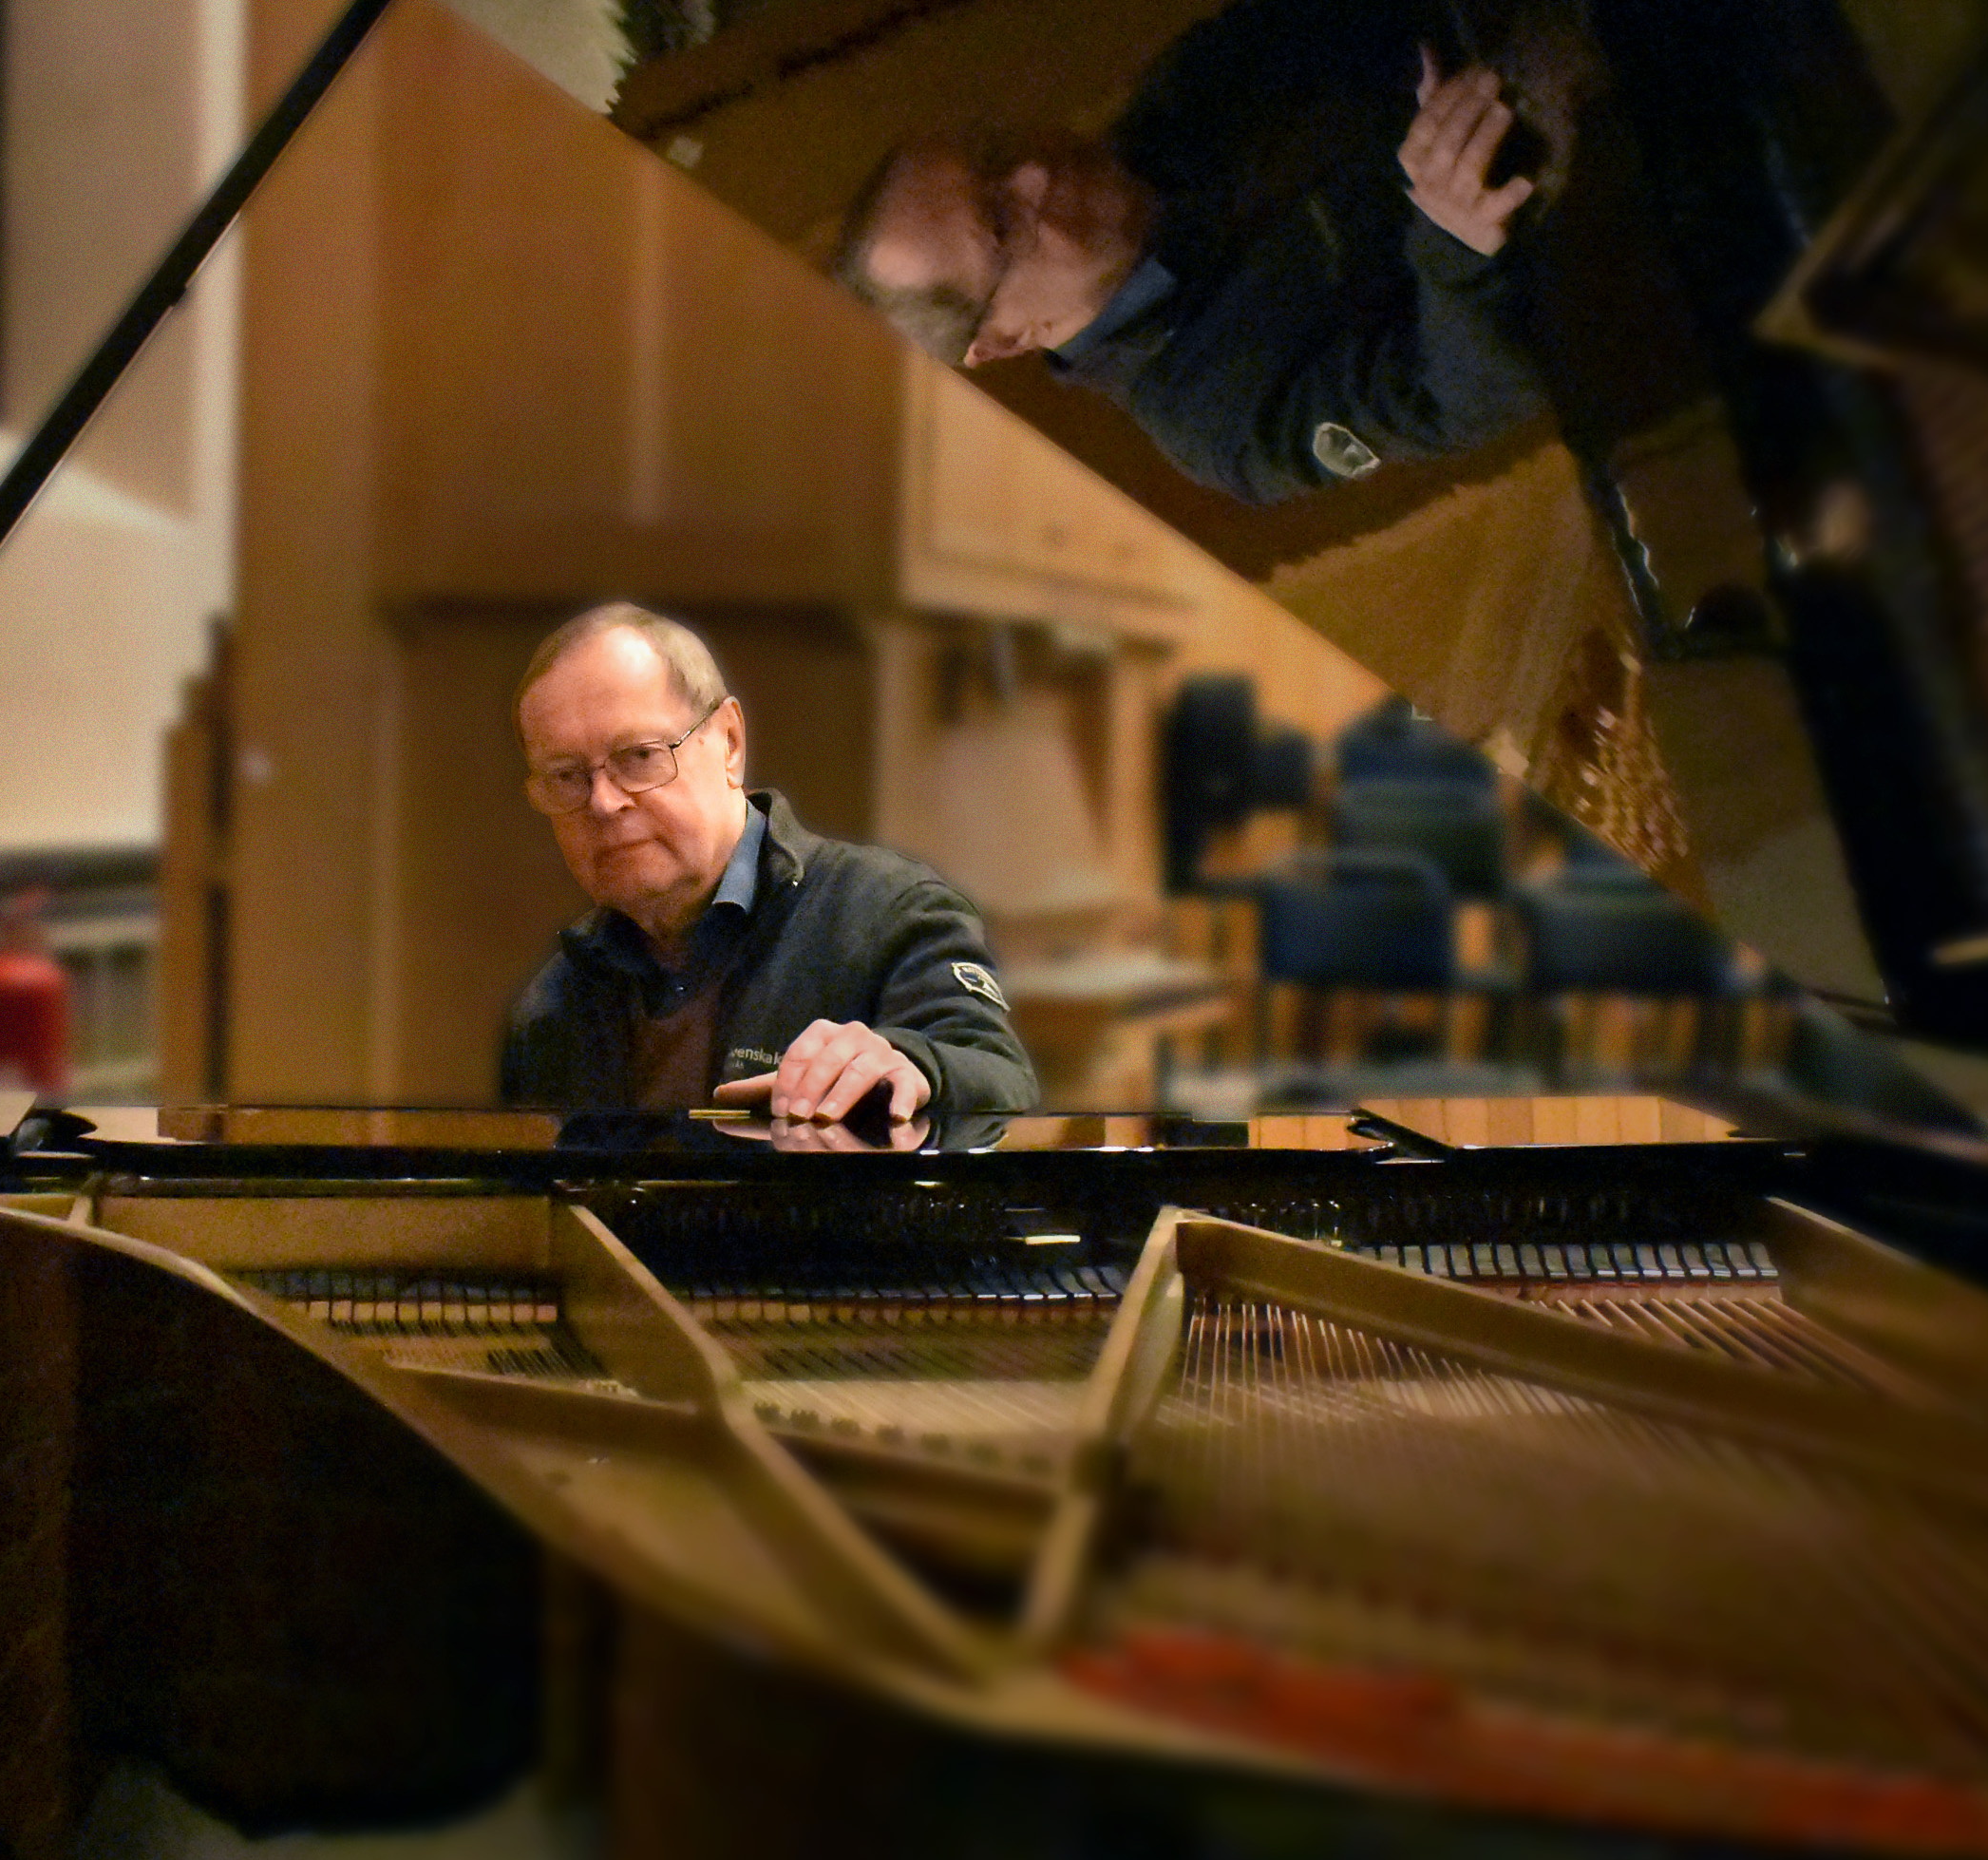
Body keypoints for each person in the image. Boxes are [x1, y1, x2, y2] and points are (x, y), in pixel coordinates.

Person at [830, 0, 1567, 503]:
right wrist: (1454, 242)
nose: (1035, 173)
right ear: (1001, 339)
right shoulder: (1218, 421)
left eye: (992, 153)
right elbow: (1466, 401)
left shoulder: (1174, 101)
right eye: (1001, 224)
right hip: (1587, 222)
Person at [500, 603, 1036, 1126]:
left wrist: (917, 1065)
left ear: (729, 743)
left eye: (639, 756)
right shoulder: (554, 1007)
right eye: (566, 776)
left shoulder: (888, 914)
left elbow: (999, 1079)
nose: (602, 802)